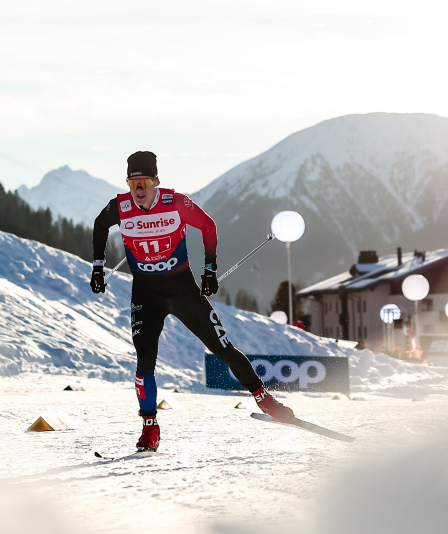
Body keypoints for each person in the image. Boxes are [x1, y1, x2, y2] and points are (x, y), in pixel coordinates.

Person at [91, 150, 295, 452]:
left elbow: (208, 226)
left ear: (156, 182)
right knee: (144, 360)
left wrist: (209, 270)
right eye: (133, 183)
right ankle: (150, 427)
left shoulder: (175, 202)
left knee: (222, 348)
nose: (139, 189)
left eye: (144, 182)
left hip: (182, 289)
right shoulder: (120, 206)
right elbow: (99, 224)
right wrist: (97, 267)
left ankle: (265, 399)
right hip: (146, 294)